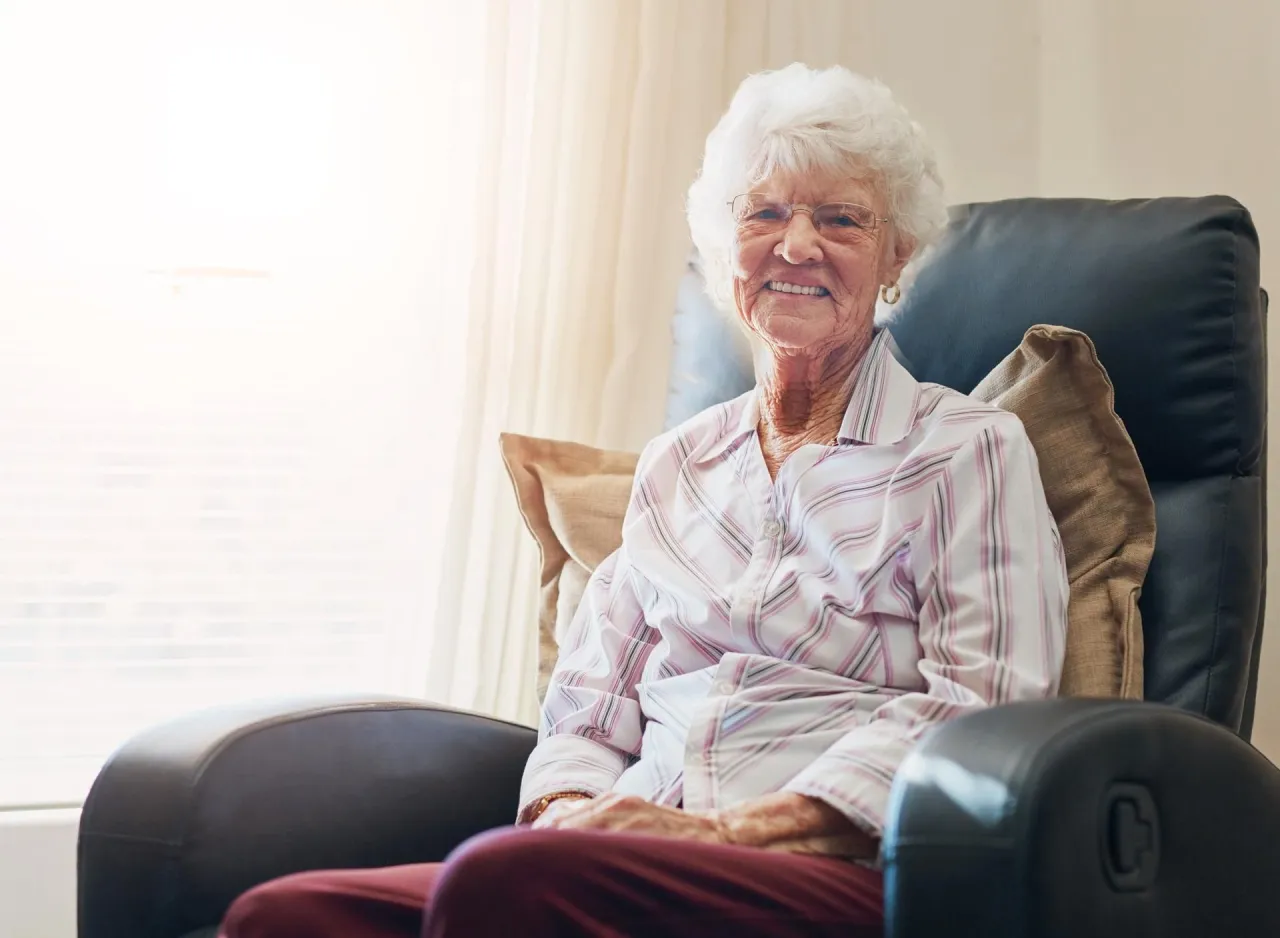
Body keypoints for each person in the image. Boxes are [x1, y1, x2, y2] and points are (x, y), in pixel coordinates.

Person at [221, 62, 1068, 938]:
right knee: (288, 916)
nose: (798, 244)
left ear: (897, 256)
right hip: (617, 859)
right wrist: (570, 819)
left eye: (841, 218)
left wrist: (717, 833)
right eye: (766, 212)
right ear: (723, 246)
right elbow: (584, 714)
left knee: (501, 886)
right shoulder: (678, 467)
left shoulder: (966, 451)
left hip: (833, 870)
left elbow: (983, 712)